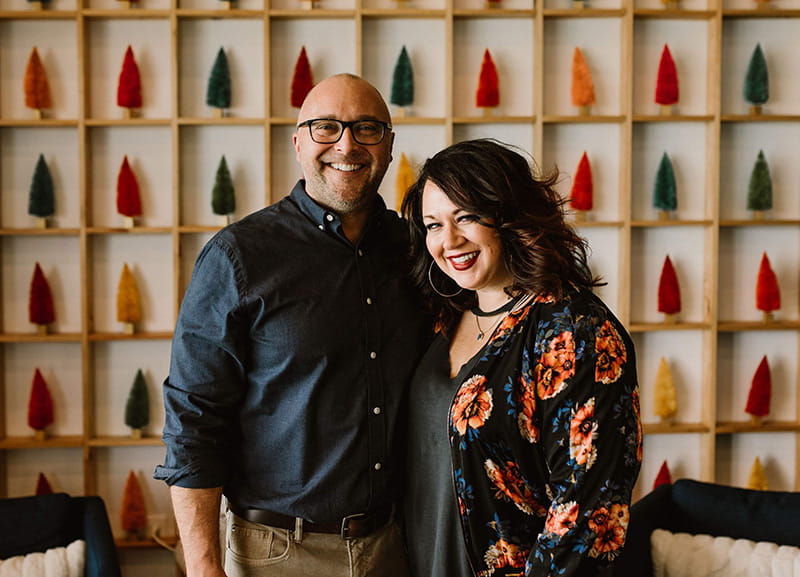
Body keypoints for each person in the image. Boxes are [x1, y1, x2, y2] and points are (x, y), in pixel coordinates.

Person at [154, 73, 429, 577]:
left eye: (367, 128)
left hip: (393, 548)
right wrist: (203, 566)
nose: (347, 145)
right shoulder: (239, 257)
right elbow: (194, 418)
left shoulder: (415, 250)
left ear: (389, 146)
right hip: (277, 553)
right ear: (299, 144)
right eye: (326, 127)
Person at [400, 138, 642, 577]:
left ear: (510, 215)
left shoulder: (574, 330)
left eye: (466, 217)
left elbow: (590, 507)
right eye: (434, 224)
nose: (449, 240)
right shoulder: (440, 317)